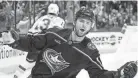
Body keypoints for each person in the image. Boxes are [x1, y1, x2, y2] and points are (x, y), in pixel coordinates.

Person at [2, 8, 137, 78]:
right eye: (81, 21)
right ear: (75, 22)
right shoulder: (54, 33)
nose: (83, 25)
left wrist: (119, 74)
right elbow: (33, 43)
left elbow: (99, 75)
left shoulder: (89, 51)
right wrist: (15, 41)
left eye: (87, 22)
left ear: (91, 26)